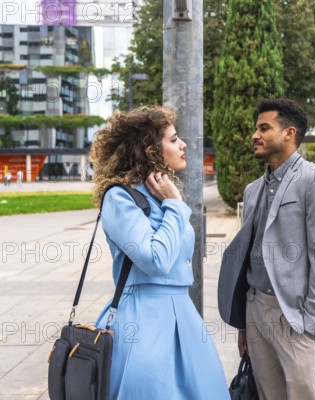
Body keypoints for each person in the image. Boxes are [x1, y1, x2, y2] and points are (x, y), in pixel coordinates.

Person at [90, 106, 229, 399]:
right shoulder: (119, 197)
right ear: (150, 149)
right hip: (143, 320)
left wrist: (171, 203)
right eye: (173, 139)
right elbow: (155, 260)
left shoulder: (159, 193)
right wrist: (176, 205)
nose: (183, 145)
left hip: (183, 314)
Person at [218, 98, 315, 400]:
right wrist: (244, 325)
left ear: (289, 133)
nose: (254, 135)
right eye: (255, 128)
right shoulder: (253, 189)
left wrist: (313, 322)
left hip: (294, 314)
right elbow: (248, 255)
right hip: (255, 309)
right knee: (268, 395)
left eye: (264, 128)